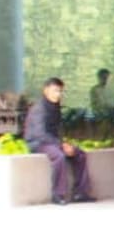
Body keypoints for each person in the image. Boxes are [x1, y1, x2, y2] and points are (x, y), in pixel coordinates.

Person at [23, 76, 93, 204]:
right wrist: (61, 145)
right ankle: (58, 195)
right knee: (59, 156)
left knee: (80, 154)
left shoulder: (55, 107)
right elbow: (40, 134)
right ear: (46, 90)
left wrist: (65, 144)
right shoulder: (39, 108)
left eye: (60, 91)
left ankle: (80, 193)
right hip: (37, 143)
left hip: (52, 142)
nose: (58, 94)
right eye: (55, 91)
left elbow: (57, 130)